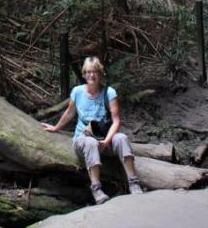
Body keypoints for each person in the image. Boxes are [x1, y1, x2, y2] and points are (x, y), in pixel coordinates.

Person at [42, 55, 142, 204]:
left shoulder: (109, 93)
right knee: (90, 143)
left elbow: (116, 121)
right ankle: (96, 188)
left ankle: (134, 183)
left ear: (100, 73)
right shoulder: (77, 92)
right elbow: (69, 113)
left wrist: (107, 141)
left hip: (104, 138)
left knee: (122, 138)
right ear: (83, 74)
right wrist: (56, 127)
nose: (91, 75)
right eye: (88, 72)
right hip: (84, 139)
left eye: (94, 71)